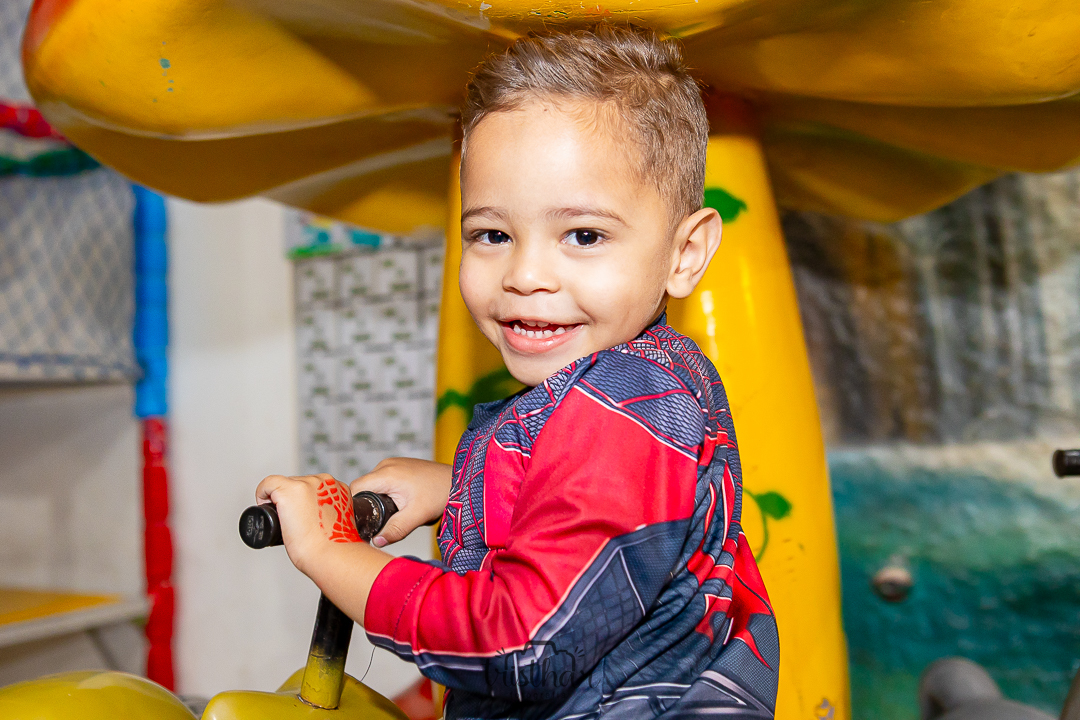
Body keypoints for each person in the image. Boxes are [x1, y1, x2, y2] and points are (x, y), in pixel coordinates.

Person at [257, 24, 779, 719]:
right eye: (493, 234)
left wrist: (331, 555)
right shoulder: (646, 378)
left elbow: (520, 643)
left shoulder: (625, 405)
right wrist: (460, 487)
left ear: (685, 253)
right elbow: (599, 514)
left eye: (584, 235)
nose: (526, 275)